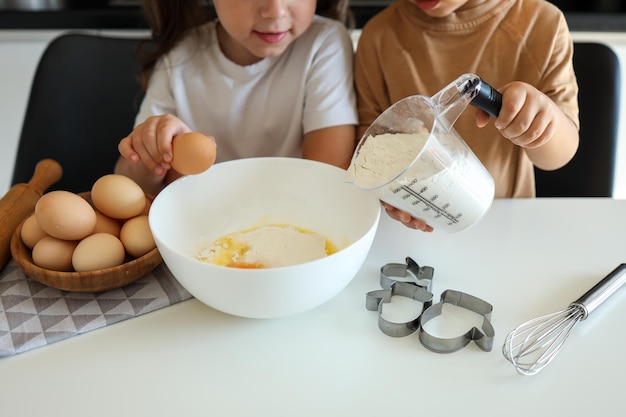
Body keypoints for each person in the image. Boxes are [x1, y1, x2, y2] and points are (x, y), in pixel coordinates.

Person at [354, 0, 580, 231]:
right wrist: (391, 193)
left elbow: (559, 156)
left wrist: (542, 121)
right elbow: (368, 149)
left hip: (509, 224)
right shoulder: (379, 35)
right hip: (424, 218)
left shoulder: (540, 22)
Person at [116, 0, 357, 196]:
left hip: (294, 224)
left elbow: (328, 179)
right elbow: (129, 187)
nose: (275, 11)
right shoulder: (179, 58)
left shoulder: (324, 43)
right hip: (201, 230)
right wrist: (154, 148)